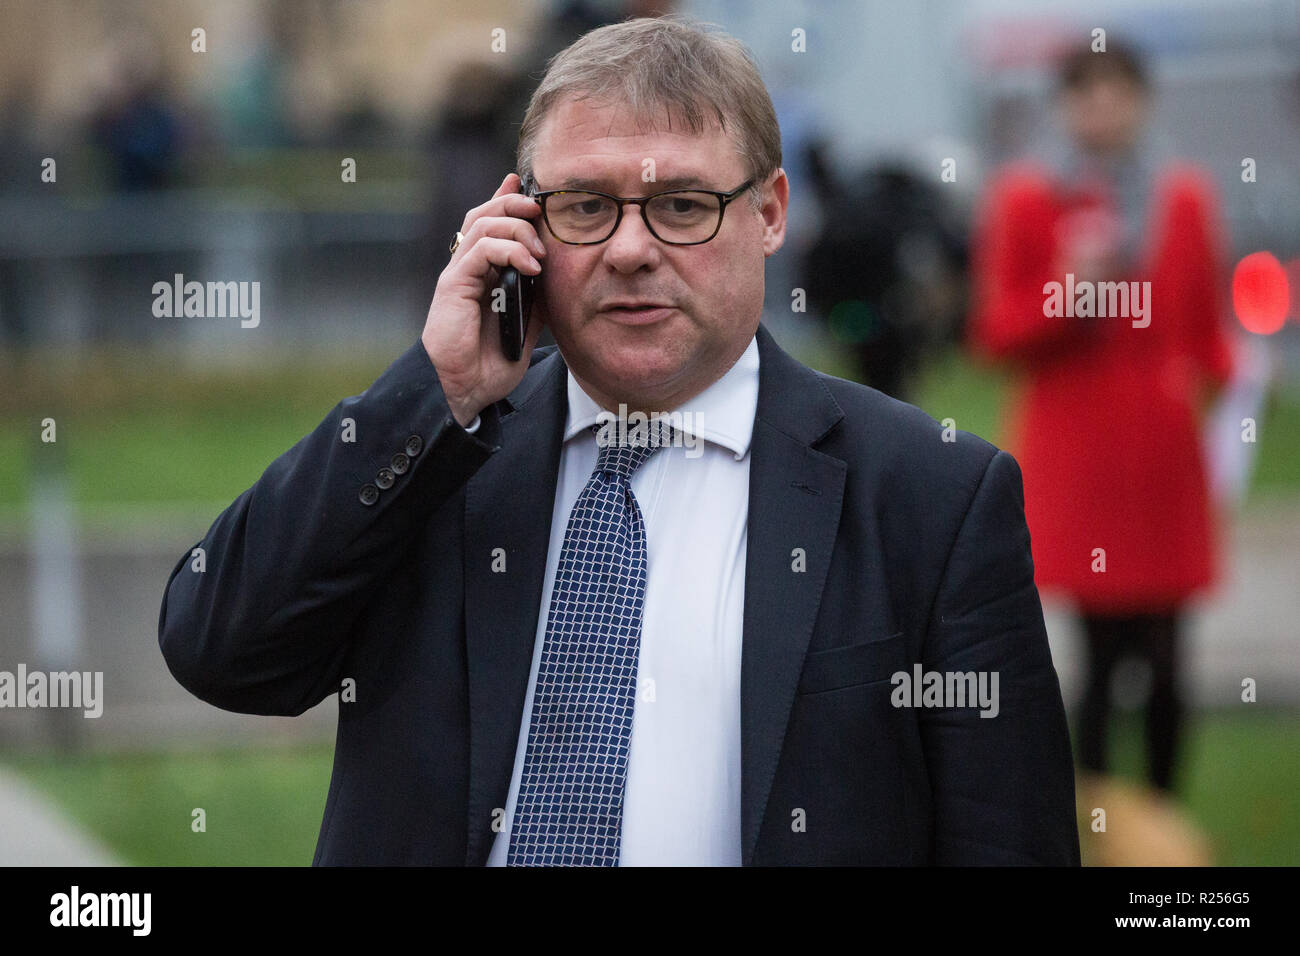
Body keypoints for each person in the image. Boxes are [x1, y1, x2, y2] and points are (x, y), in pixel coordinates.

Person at [159, 16, 1078, 866]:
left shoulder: (932, 497)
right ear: (522, 223)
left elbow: (1009, 842)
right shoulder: (437, 456)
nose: (631, 248)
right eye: (587, 206)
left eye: (682, 204)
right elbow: (220, 651)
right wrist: (431, 394)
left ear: (769, 212)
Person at [968, 41, 1236, 794]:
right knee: (1099, 654)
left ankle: (1164, 828)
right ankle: (1099, 825)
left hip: (1161, 457)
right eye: (1085, 93)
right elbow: (995, 336)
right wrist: (1068, 290)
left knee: (1169, 654)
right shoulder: (1027, 199)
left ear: (1143, 101)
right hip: (1079, 453)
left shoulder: (1183, 198)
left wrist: (1236, 380)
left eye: (1117, 92)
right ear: (1063, 105)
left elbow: (1206, 331)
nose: (1102, 108)